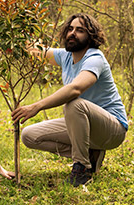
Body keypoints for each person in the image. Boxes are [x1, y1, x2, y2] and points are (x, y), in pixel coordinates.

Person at [11, 13, 128, 187]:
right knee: (30, 136)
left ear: (90, 37)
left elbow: (76, 88)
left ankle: (82, 169)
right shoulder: (65, 56)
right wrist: (11, 38)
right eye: (70, 29)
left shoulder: (95, 58)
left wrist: (37, 106)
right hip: (86, 125)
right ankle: (90, 155)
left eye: (80, 30)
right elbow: (35, 51)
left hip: (112, 129)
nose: (73, 33)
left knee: (74, 103)